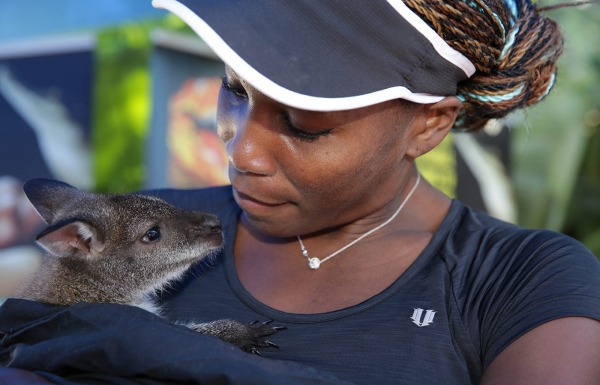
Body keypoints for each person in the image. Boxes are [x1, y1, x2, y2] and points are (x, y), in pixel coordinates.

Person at [2, 0, 600, 384]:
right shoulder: (148, 226)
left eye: (304, 123)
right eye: (235, 89)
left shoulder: (521, 278)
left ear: (429, 125)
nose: (241, 152)